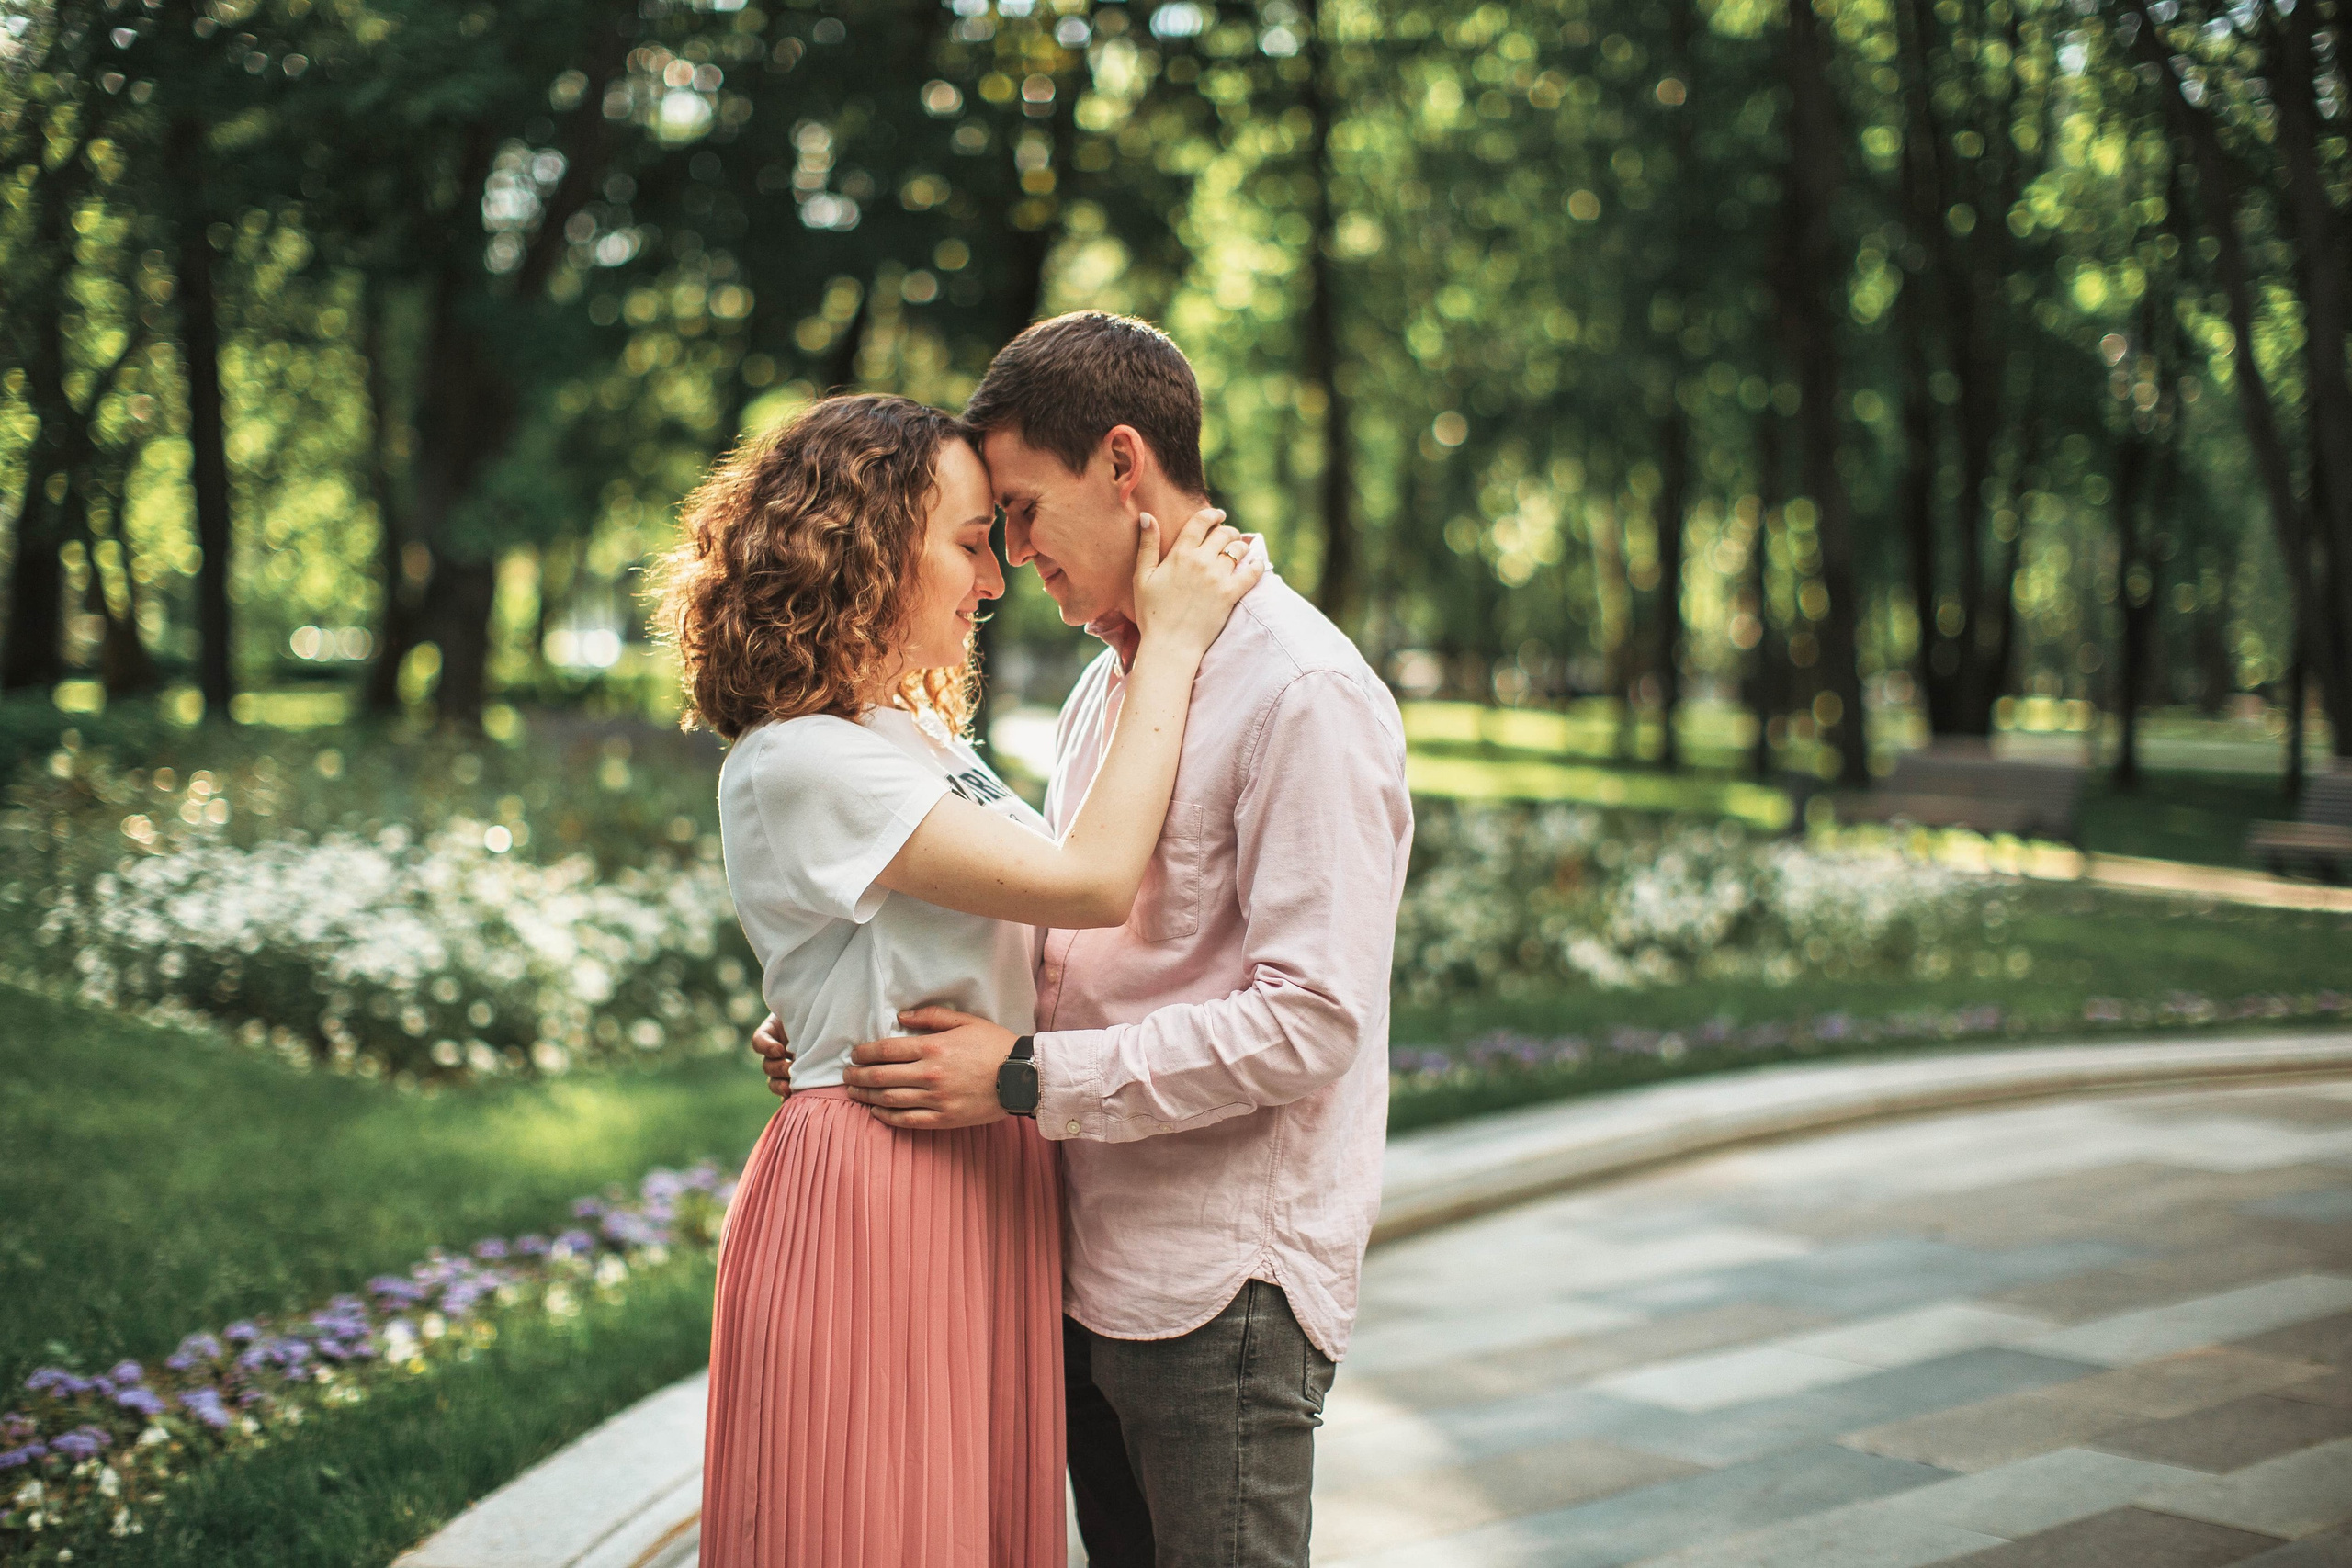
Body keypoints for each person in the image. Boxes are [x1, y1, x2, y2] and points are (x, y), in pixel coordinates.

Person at [756, 313, 1415, 1568]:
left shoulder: (1303, 692)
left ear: (1122, 464)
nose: (1010, 557)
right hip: (1078, 1263)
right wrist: (850, 1009)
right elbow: (1063, 943)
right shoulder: (1109, 680)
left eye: (1019, 510)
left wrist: (1021, 1077)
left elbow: (1311, 1021)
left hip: (1216, 1288)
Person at [655, 389, 1261, 1568]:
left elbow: (962, 940)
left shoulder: (904, 735)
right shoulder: (805, 757)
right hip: (887, 1180)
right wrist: (1175, 643)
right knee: (879, 1525)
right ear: (865, 549)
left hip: (981, 1165)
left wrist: (819, 1007)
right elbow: (1090, 883)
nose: (992, 581)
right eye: (970, 542)